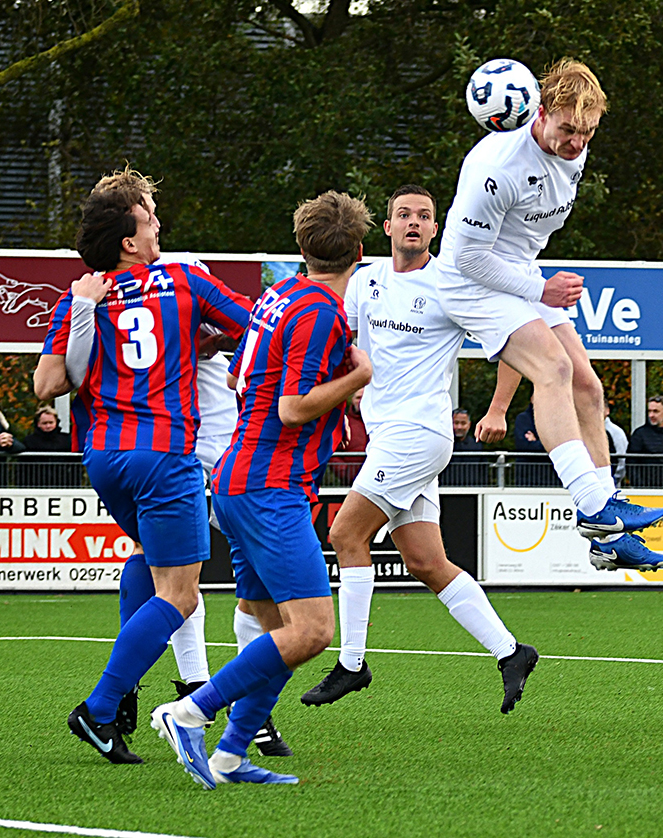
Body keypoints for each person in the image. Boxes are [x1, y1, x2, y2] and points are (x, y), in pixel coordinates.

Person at [149, 190, 373, 788]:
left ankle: (229, 754)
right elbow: (292, 407)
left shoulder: (279, 296)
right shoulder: (322, 311)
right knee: (314, 631)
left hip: (240, 476)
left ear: (302, 248)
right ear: (359, 251)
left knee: (277, 626)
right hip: (269, 485)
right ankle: (188, 712)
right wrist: (357, 376)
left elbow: (239, 379)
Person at [33, 169, 251, 766]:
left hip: (105, 456)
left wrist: (87, 317)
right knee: (181, 595)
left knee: (147, 561)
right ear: (129, 240)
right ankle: (100, 706)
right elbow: (259, 328)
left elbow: (46, 384)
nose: (158, 223)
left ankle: (122, 695)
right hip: (164, 455)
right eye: (149, 215)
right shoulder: (183, 279)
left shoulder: (81, 296)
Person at [302, 184, 538, 712]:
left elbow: (513, 344)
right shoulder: (365, 280)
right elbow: (346, 343)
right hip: (388, 436)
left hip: (419, 434)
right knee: (427, 562)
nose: (414, 221)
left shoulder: (451, 284)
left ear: (435, 228)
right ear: (387, 227)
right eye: (404, 214)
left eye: (424, 215)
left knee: (345, 533)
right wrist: (348, 391)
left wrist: (498, 409)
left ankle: (351, 664)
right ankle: (511, 652)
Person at [435, 57, 663, 570]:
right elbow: (468, 258)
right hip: (468, 280)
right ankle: (592, 507)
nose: (577, 143)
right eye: (568, 130)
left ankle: (609, 535)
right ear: (540, 113)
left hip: (519, 272)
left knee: (588, 386)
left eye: (588, 132)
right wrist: (540, 289)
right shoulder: (496, 167)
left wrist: (534, 285)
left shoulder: (576, 148)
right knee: (554, 368)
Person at [604, 403, 628, 486]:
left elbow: (622, 459)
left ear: (607, 410)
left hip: (611, 482)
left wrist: (614, 479)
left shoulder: (617, 432)